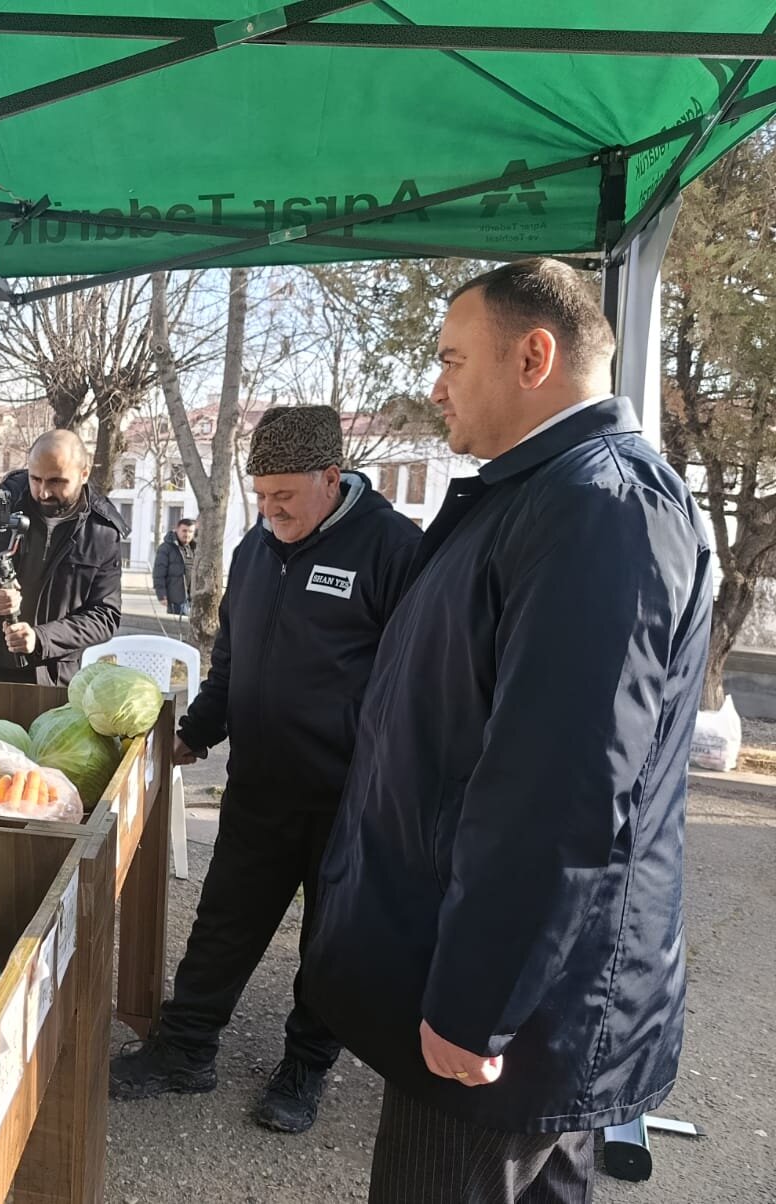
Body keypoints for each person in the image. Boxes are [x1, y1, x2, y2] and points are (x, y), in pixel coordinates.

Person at [304, 259, 711, 1204]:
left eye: (453, 359)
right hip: (498, 990)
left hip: (517, 1018)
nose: (435, 386)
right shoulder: (542, 494)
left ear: (534, 357)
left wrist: (478, 1002)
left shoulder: (600, 508)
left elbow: (560, 789)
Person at [110, 405, 420, 1134]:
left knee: (331, 939)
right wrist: (196, 732)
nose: (271, 510)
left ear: (331, 479)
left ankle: (305, 1066)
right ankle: (186, 1048)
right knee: (224, 919)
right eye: (262, 495)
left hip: (350, 796)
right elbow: (233, 661)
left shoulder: (394, 550)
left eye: (285, 496)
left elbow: (416, 682)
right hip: (259, 783)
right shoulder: (257, 549)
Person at [0, 429, 125, 685]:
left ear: (84, 473)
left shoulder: (102, 531)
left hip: (48, 678)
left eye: (56, 481)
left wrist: (41, 638)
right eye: (35, 479)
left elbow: (105, 616)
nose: (43, 492)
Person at [152, 517, 197, 615]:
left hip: (193, 599)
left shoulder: (194, 548)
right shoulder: (166, 548)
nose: (187, 534)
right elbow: (158, 574)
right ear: (177, 530)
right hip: (176, 599)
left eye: (190, 531)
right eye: (184, 531)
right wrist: (162, 595)